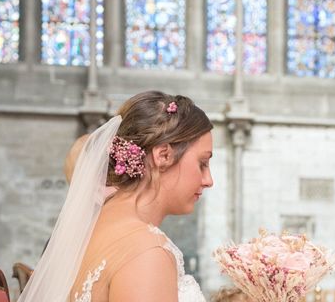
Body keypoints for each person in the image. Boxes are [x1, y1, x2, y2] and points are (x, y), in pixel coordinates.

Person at [18, 91, 214, 302]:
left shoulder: (92, 228)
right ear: (163, 155)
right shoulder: (146, 252)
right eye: (202, 163)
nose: (208, 180)